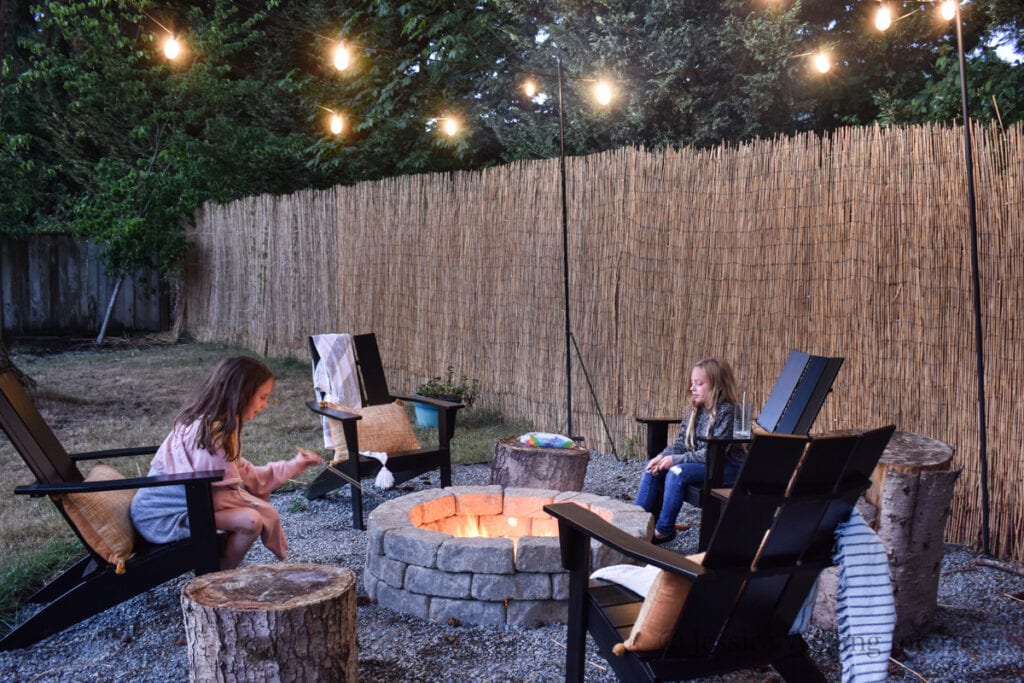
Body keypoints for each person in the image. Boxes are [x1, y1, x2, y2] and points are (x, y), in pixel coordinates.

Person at [130, 356, 323, 570]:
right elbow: (220, 498)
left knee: (252, 516)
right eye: (262, 397)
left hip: (180, 509)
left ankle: (219, 574)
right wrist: (269, 514)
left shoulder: (215, 423)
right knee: (251, 520)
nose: (265, 405)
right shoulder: (212, 433)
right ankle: (218, 578)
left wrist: (295, 464)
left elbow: (247, 475)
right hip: (161, 519)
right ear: (241, 394)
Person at [635, 358, 744, 544]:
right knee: (653, 467)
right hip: (704, 464)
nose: (692, 388)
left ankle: (664, 531)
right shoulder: (696, 409)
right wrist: (663, 456)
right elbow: (681, 443)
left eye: (699, 384)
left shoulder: (728, 411)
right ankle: (634, 524)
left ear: (717, 385)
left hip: (727, 467)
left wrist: (675, 461)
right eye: (692, 383)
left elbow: (713, 454)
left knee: (676, 472)